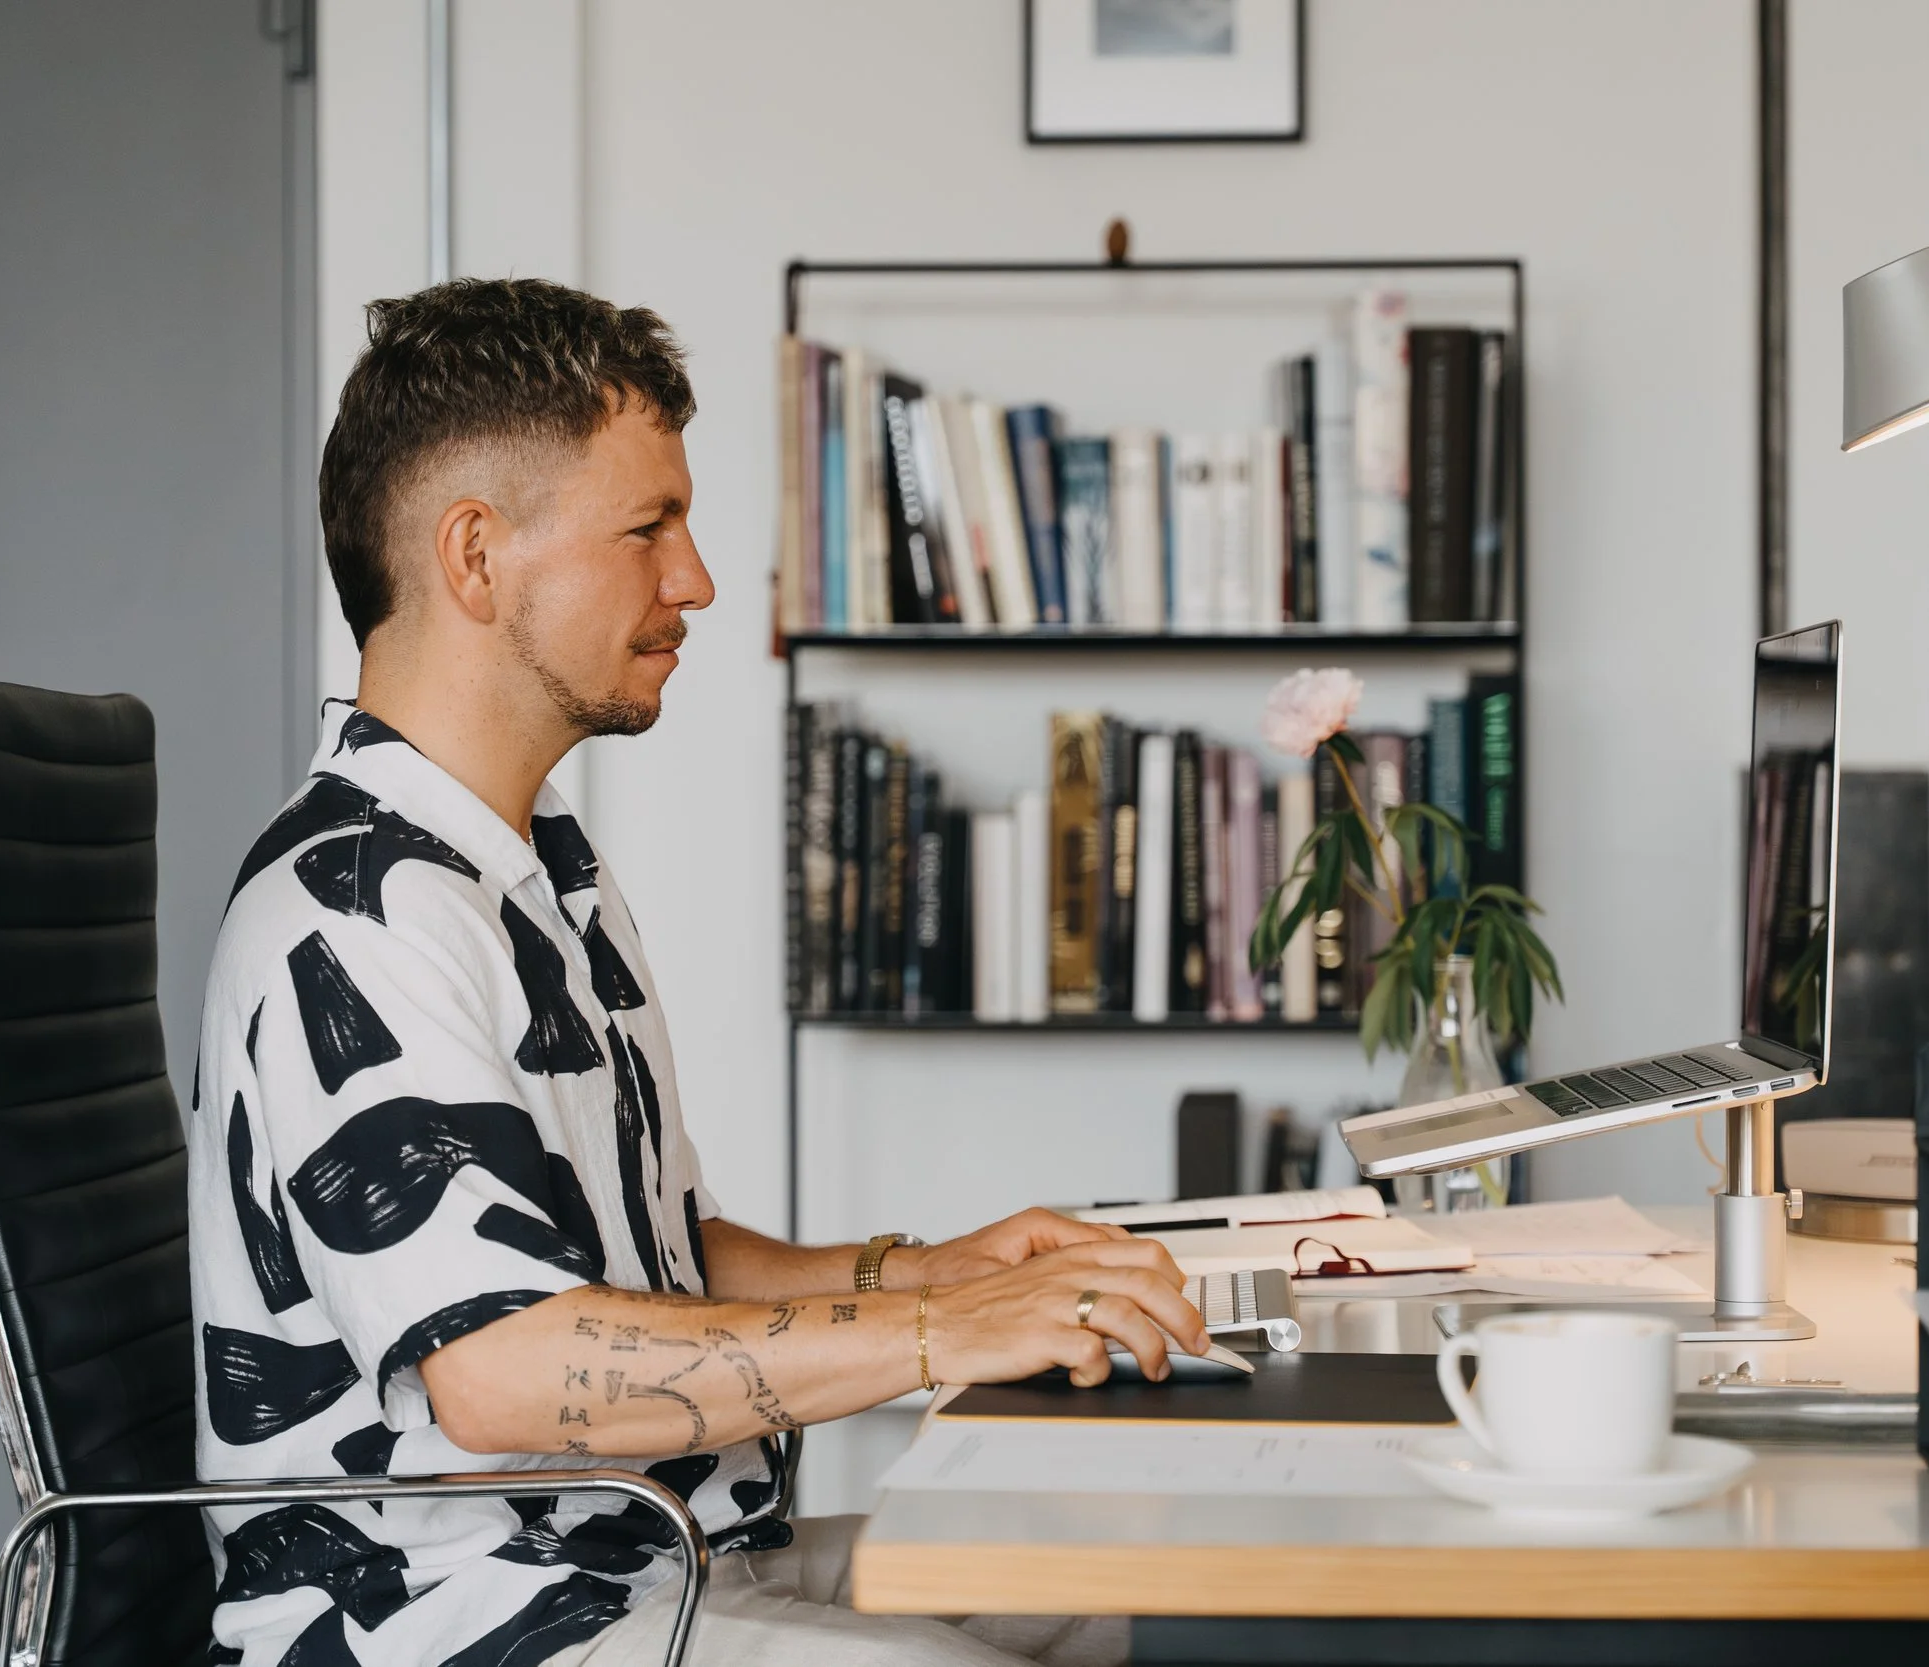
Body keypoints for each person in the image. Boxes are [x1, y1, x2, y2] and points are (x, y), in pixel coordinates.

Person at [188, 277, 1207, 1667]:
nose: (698, 579)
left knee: (1139, 1593)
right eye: (647, 526)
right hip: (454, 1617)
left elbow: (666, 1258)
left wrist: (925, 1275)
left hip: (642, 1560)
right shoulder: (358, 912)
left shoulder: (532, 866)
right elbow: (499, 1371)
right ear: (477, 557)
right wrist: (937, 1337)